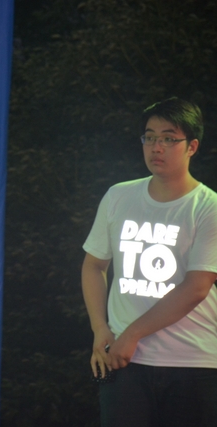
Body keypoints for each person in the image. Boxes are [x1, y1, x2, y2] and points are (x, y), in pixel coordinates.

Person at [81, 97, 217, 426]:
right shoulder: (119, 196)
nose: (157, 147)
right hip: (124, 363)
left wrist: (132, 335)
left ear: (192, 146)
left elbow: (197, 287)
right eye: (150, 137)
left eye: (169, 138)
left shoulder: (207, 207)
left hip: (192, 362)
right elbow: (94, 265)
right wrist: (100, 328)